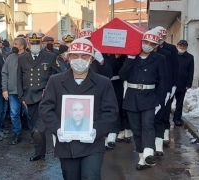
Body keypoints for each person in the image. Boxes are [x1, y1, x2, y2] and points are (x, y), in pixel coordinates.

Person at [40, 38, 118, 180]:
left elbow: (111, 111)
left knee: (91, 176)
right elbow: (46, 108)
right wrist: (58, 128)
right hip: (66, 144)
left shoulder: (103, 82)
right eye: (75, 56)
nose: (79, 60)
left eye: (84, 56)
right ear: (68, 58)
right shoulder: (55, 81)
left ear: (91, 59)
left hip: (93, 144)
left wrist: (97, 130)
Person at [119, 30, 167, 170]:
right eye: (145, 42)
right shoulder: (132, 57)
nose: (147, 45)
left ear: (155, 45)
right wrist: (130, 59)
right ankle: (141, 157)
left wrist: (160, 101)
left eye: (151, 43)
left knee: (148, 125)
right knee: (136, 129)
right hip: (132, 97)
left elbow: (163, 82)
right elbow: (122, 75)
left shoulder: (159, 58)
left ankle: (148, 152)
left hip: (150, 96)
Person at [17, 32, 61, 161]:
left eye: (37, 43)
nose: (35, 46)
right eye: (33, 43)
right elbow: (18, 78)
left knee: (39, 128)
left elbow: (60, 75)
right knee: (36, 125)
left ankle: (43, 151)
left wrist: (48, 88)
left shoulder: (50, 56)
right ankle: (40, 152)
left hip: (45, 96)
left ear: (41, 44)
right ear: (28, 44)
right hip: (29, 97)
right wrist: (21, 97)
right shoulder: (22, 58)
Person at [154, 26, 179, 143]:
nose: (161, 38)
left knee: (165, 108)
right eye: (159, 36)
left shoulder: (171, 49)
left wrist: (174, 84)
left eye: (163, 36)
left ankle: (165, 133)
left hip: (168, 84)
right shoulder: (153, 48)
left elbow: (175, 67)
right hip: (155, 84)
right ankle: (155, 133)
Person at [2, 37, 29, 145]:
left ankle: (34, 133)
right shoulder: (10, 57)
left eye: (16, 44)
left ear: (22, 46)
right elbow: (4, 73)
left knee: (29, 114)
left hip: (26, 92)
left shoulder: (29, 57)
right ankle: (16, 134)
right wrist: (5, 89)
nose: (13, 45)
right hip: (12, 91)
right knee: (14, 114)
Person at [104, 54, 132, 149]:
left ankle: (121, 130)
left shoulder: (124, 56)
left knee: (118, 108)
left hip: (118, 84)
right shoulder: (103, 55)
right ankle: (109, 133)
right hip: (106, 84)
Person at [173, 40, 194, 126]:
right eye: (180, 45)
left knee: (179, 102)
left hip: (182, 83)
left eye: (184, 46)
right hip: (172, 82)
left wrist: (189, 84)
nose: (182, 47)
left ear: (186, 47)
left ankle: (177, 118)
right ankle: (165, 118)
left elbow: (191, 71)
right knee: (167, 102)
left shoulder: (190, 57)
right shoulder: (173, 55)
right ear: (177, 46)